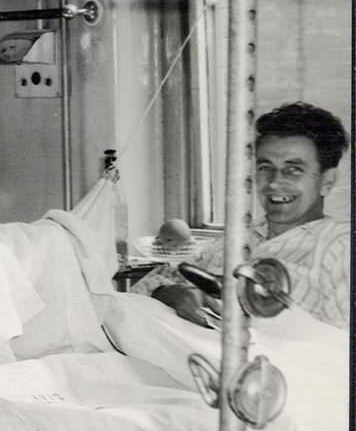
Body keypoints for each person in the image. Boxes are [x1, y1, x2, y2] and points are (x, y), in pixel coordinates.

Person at [142, 102, 349, 329]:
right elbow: (144, 288)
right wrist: (174, 293)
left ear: (327, 181)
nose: (274, 182)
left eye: (293, 169)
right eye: (265, 167)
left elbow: (340, 352)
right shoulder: (231, 242)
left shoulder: (338, 248)